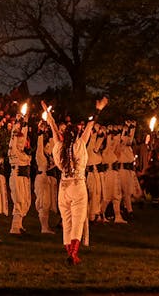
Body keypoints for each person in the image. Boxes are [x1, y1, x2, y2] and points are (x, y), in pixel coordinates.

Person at [44, 97, 105, 265]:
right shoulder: (79, 145)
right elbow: (91, 124)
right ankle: (73, 254)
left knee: (67, 221)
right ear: (76, 134)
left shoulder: (59, 148)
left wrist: (48, 115)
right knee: (78, 221)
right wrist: (98, 110)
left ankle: (70, 253)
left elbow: (54, 130)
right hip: (77, 185)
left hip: (63, 187)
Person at [34, 120, 59, 234]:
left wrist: (50, 128)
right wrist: (40, 133)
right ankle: (43, 227)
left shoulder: (51, 157)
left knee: (48, 204)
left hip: (48, 180)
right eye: (47, 146)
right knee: (43, 203)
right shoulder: (40, 155)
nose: (49, 148)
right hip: (41, 179)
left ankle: (46, 226)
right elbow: (39, 145)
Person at [8, 118, 32, 235]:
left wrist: (25, 124)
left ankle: (20, 224)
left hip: (24, 177)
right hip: (17, 176)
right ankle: (14, 227)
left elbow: (23, 136)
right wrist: (17, 126)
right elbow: (13, 140)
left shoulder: (23, 152)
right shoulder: (13, 151)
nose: (22, 142)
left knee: (26, 201)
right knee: (19, 200)